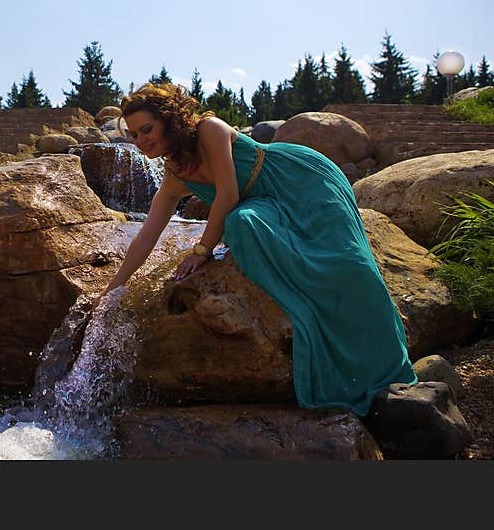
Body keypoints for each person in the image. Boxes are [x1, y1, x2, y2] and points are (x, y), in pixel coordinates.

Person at [98, 82, 416, 416]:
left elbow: (228, 195)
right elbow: (146, 236)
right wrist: (112, 289)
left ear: (170, 120)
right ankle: (316, 329)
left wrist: (201, 251)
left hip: (300, 182)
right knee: (241, 224)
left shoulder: (210, 129)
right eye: (134, 135)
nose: (141, 140)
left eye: (146, 129)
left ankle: (386, 361)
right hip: (263, 206)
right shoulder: (174, 176)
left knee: (349, 263)